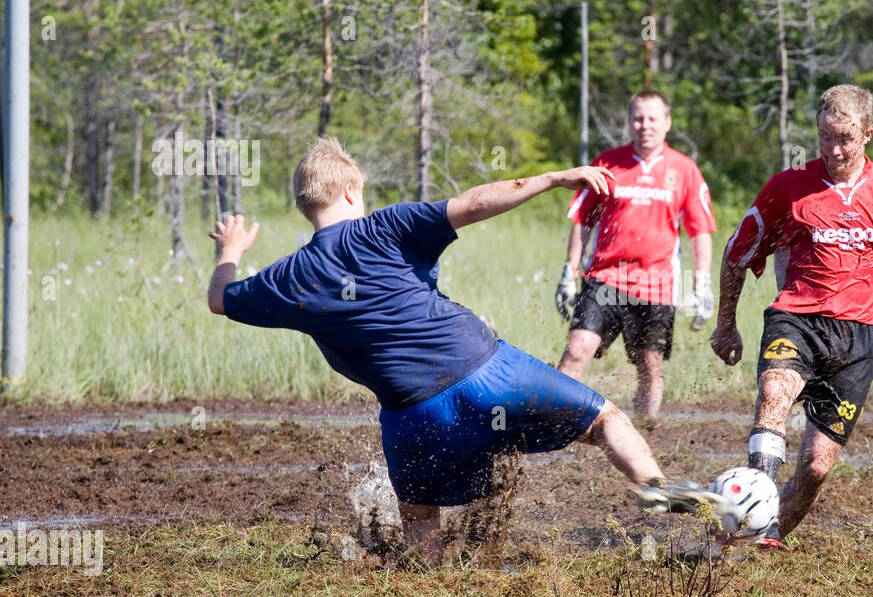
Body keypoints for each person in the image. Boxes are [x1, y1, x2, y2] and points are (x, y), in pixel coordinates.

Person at [207, 136, 722, 564]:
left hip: (413, 413)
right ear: (348, 191)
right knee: (606, 420)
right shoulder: (384, 227)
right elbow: (476, 202)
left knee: (421, 519)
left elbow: (220, 300)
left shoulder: (288, 278)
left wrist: (230, 250)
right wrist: (553, 179)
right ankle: (655, 486)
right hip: (489, 373)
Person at [710, 85, 873, 551]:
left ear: (867, 135)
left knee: (815, 467)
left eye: (845, 139)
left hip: (856, 340)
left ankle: (762, 538)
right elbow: (736, 253)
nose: (834, 150)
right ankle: (756, 500)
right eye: (825, 138)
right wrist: (725, 322)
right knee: (775, 393)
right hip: (796, 318)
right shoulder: (787, 188)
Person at [555, 90, 715, 420]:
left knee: (650, 365)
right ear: (629, 122)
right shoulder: (606, 163)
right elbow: (583, 220)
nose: (645, 126)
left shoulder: (684, 170)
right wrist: (568, 273)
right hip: (604, 278)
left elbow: (699, 232)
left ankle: (644, 433)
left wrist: (702, 286)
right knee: (576, 350)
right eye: (638, 118)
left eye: (653, 118)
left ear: (667, 123)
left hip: (657, 285)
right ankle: (559, 424)